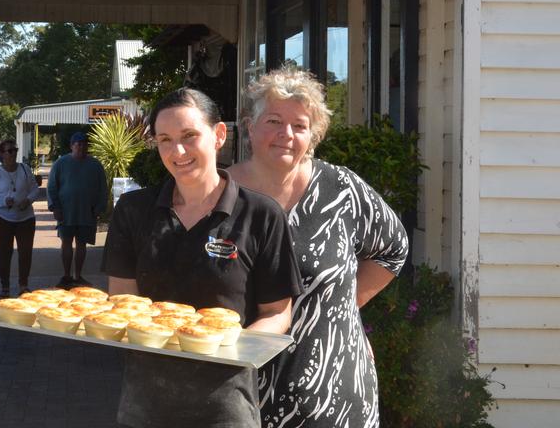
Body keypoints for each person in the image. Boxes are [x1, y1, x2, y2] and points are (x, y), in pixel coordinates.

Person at [103, 88, 302, 428]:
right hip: (144, 405)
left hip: (225, 406)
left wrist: (223, 346)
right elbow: (122, 302)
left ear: (219, 135)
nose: (177, 151)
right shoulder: (134, 211)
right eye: (164, 139)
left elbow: (277, 313)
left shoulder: (260, 215)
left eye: (189, 136)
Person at [228, 66, 409, 428]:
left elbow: (394, 248)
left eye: (300, 126)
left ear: (313, 136)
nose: (287, 135)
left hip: (336, 393)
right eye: (274, 121)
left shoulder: (341, 189)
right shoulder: (220, 196)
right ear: (250, 126)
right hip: (239, 394)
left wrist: (343, 307)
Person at [46, 131, 107, 289]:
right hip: (66, 211)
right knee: (66, 242)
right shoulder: (61, 163)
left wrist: (99, 208)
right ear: (71, 146)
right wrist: (55, 207)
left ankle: (78, 276)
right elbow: (52, 186)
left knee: (82, 244)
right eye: (78, 144)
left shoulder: (95, 165)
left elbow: (103, 188)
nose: (81, 147)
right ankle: (66, 276)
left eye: (84, 144)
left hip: (87, 211)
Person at [0, 140, 40, 297]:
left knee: (25, 252)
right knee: (5, 253)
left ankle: (23, 285)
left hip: (26, 218)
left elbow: (35, 190)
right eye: (9, 151)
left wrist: (27, 200)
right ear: (1, 154)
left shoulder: (24, 169)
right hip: (2, 219)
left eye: (15, 150)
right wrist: (3, 202)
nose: (13, 153)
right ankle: (5, 287)